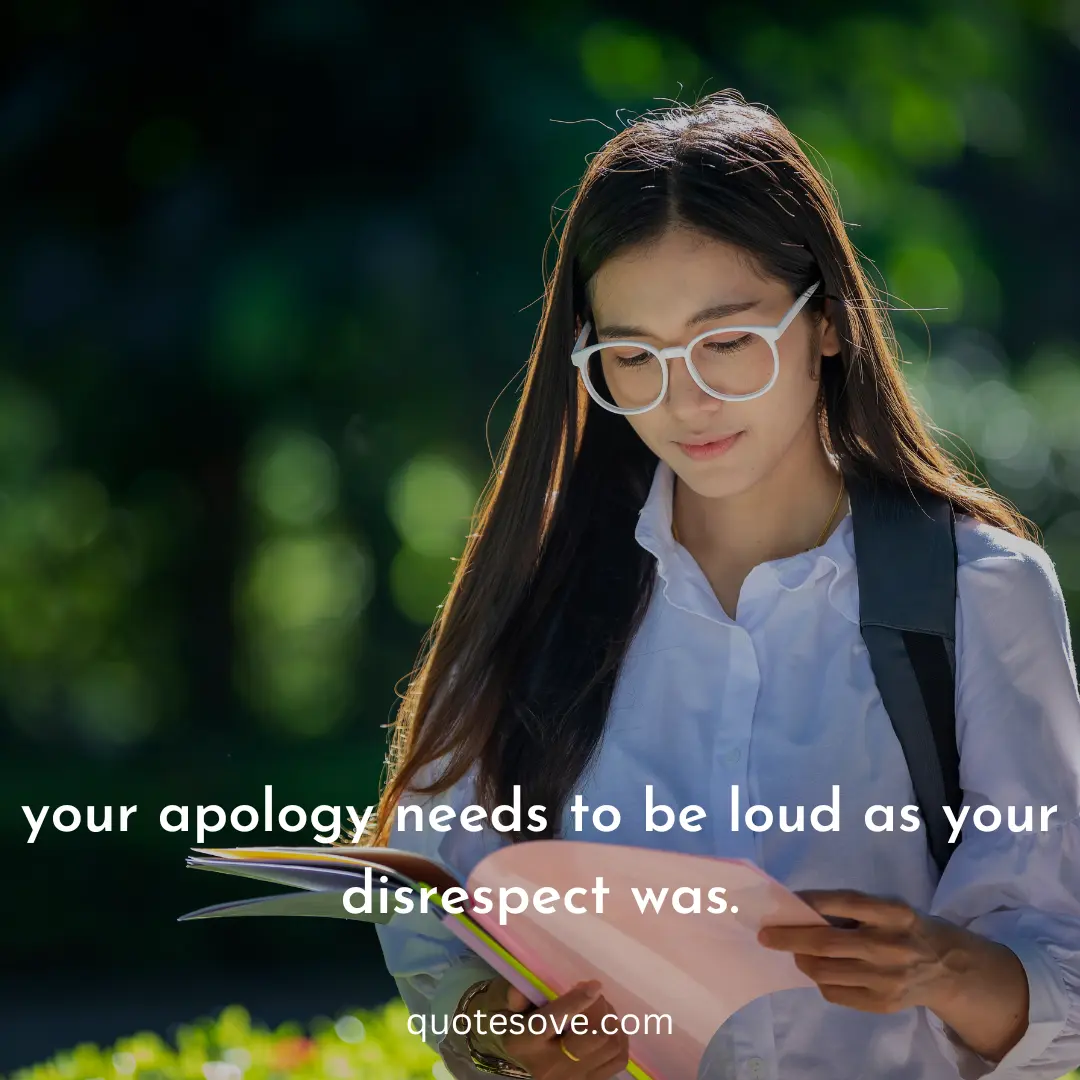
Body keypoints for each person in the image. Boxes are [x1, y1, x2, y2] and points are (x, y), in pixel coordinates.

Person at [369, 89, 1080, 1079]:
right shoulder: (538, 588)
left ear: (827, 322)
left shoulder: (979, 592)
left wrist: (942, 969)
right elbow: (431, 902)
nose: (685, 398)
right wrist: (507, 1029)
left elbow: (1065, 971)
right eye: (633, 356)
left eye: (727, 340)